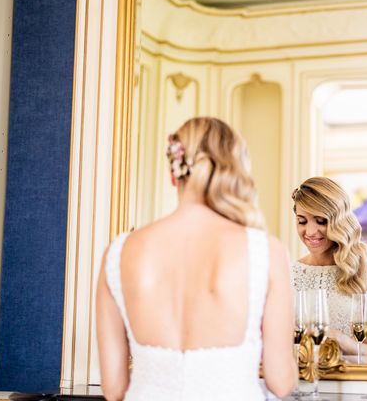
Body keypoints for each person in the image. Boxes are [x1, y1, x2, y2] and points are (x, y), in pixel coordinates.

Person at [96, 117, 297, 401]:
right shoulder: (265, 250)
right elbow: (280, 381)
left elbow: (114, 388)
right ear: (236, 170)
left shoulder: (119, 251)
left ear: (173, 172)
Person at [290, 177, 367, 354]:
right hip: (296, 381)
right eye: (302, 221)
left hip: (352, 381)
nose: (310, 231)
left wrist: (338, 338)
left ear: (340, 220)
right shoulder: (286, 274)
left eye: (320, 221)